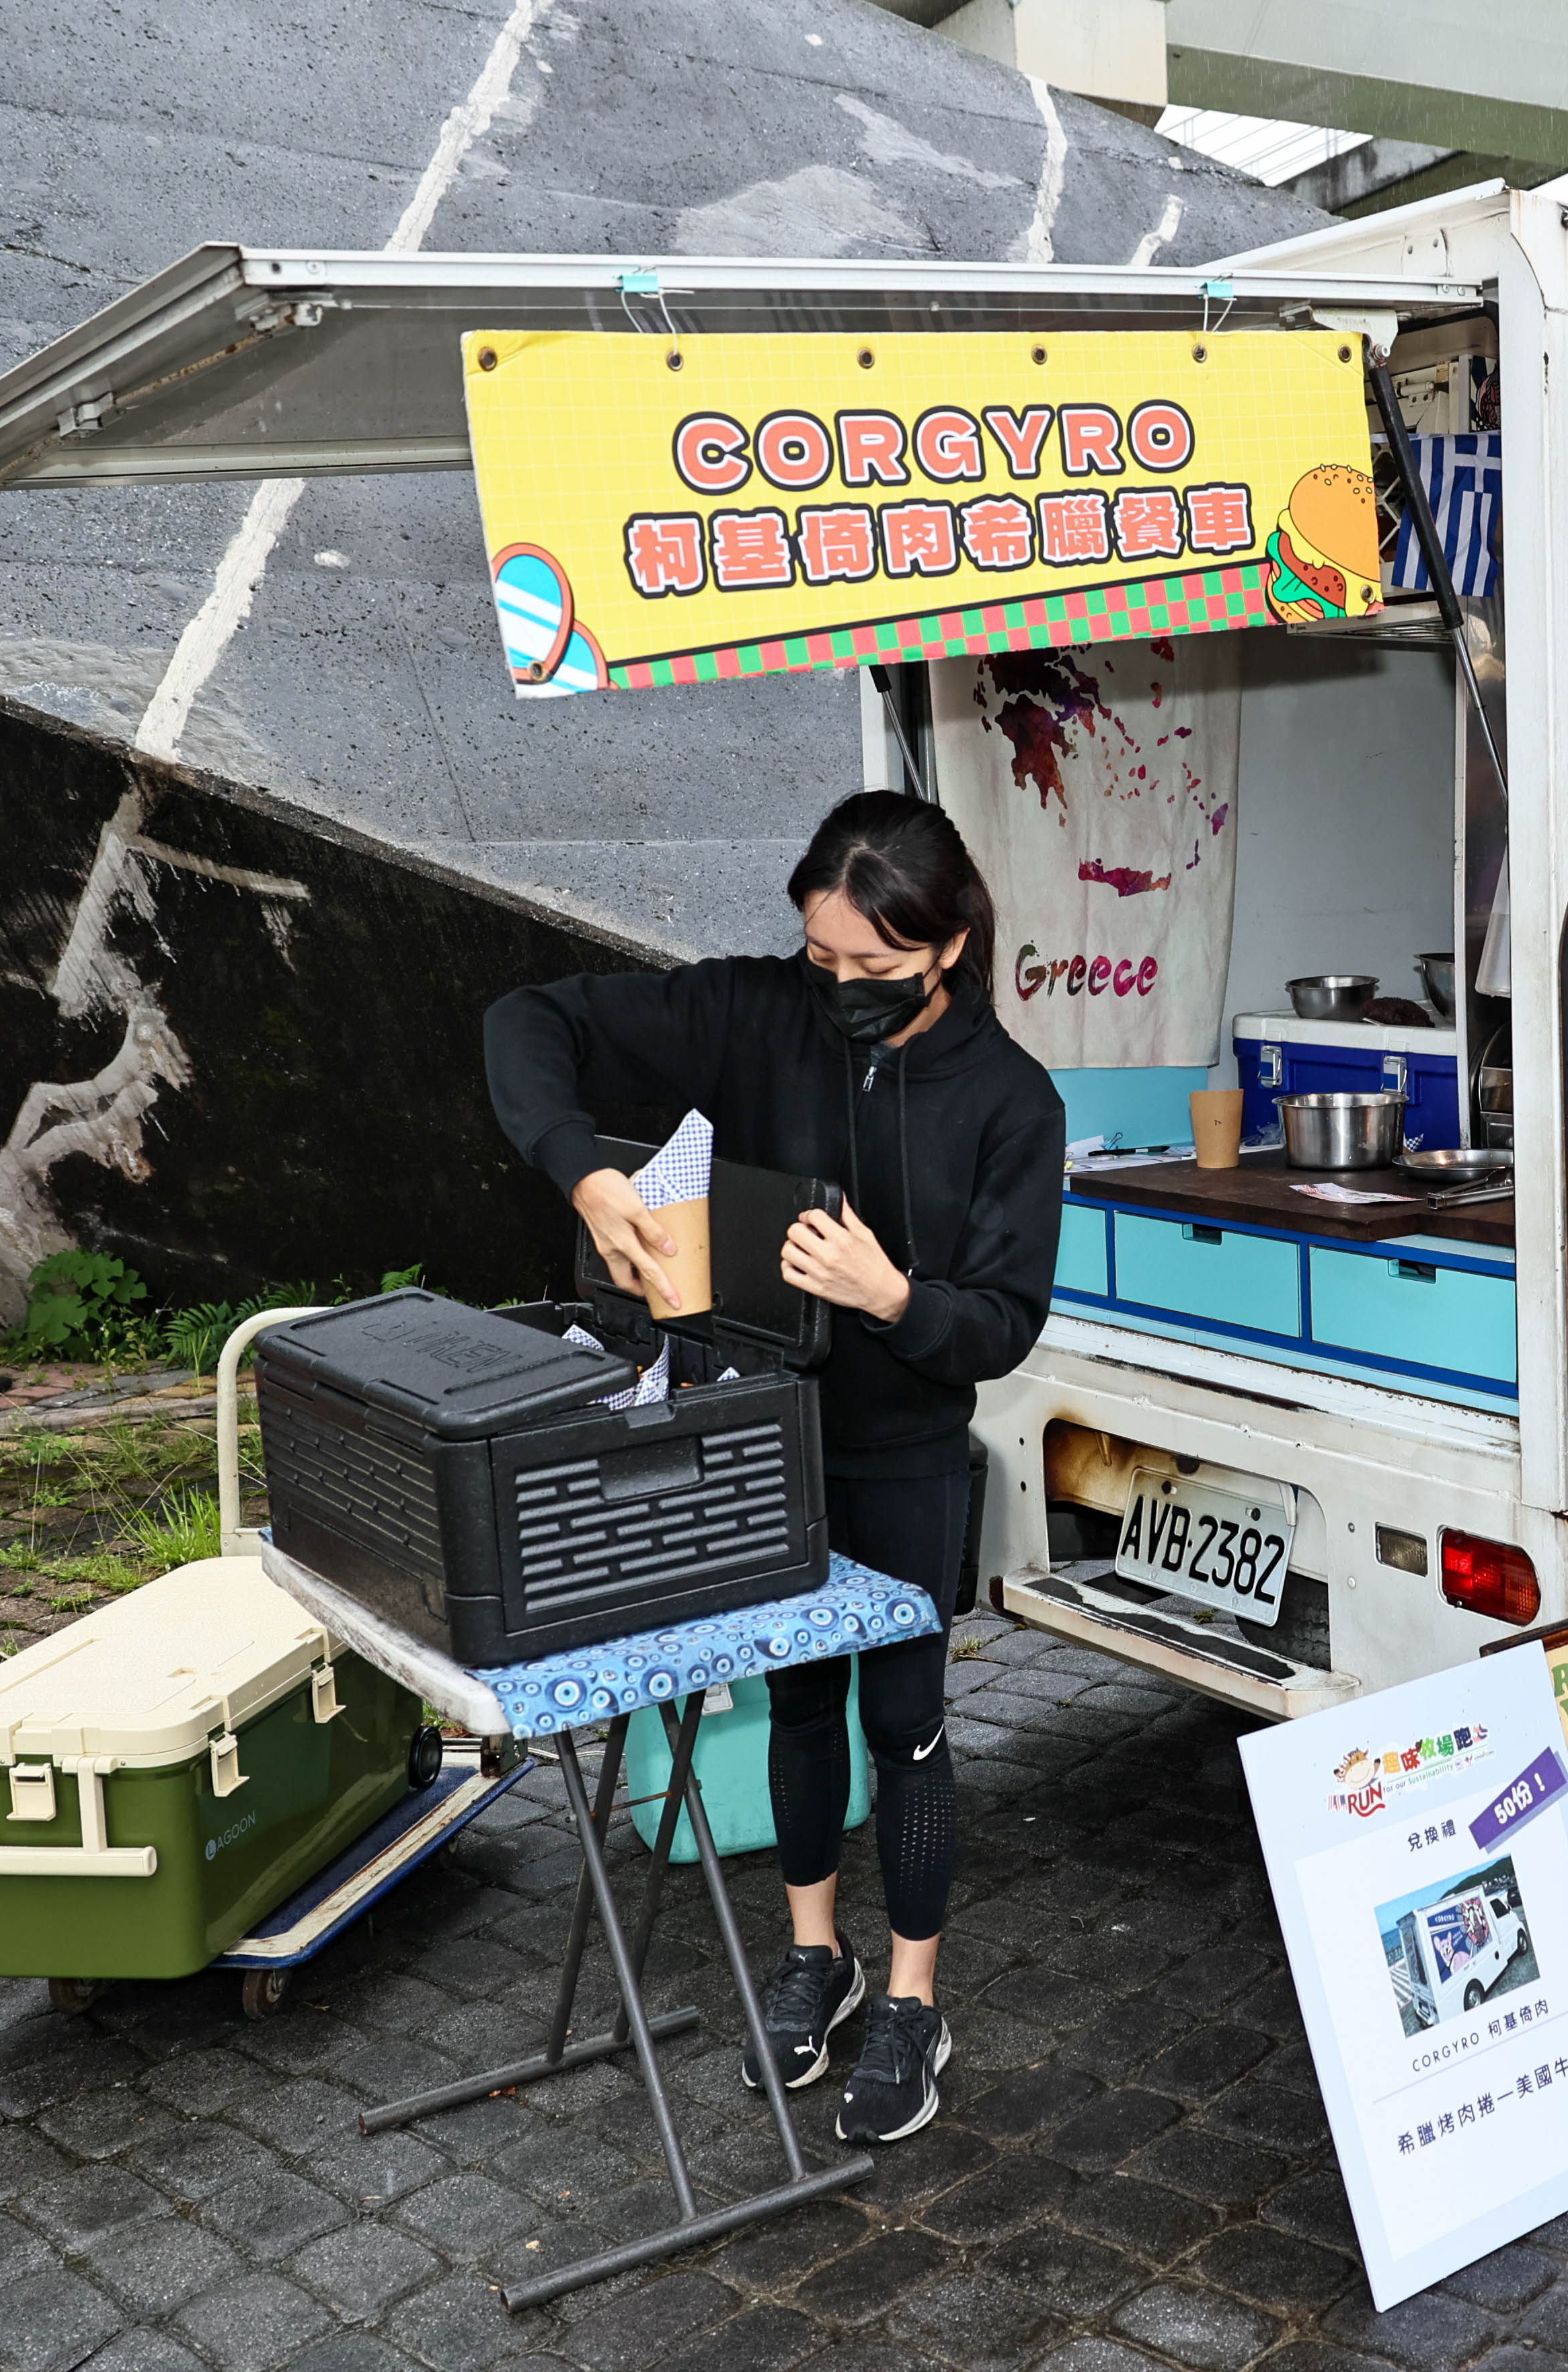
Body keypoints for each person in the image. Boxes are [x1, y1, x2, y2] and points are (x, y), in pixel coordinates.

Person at [484, 790, 1066, 2145]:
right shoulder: (751, 1013)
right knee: (798, 1704)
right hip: (763, 1434)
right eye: (823, 957)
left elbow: (1002, 1324)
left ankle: (914, 1999)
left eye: (878, 965)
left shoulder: (1010, 1101)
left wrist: (891, 1295)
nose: (843, 988)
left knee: (904, 1722)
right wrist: (583, 1174)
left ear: (951, 946)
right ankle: (818, 1956)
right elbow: (527, 1020)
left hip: (906, 1451)